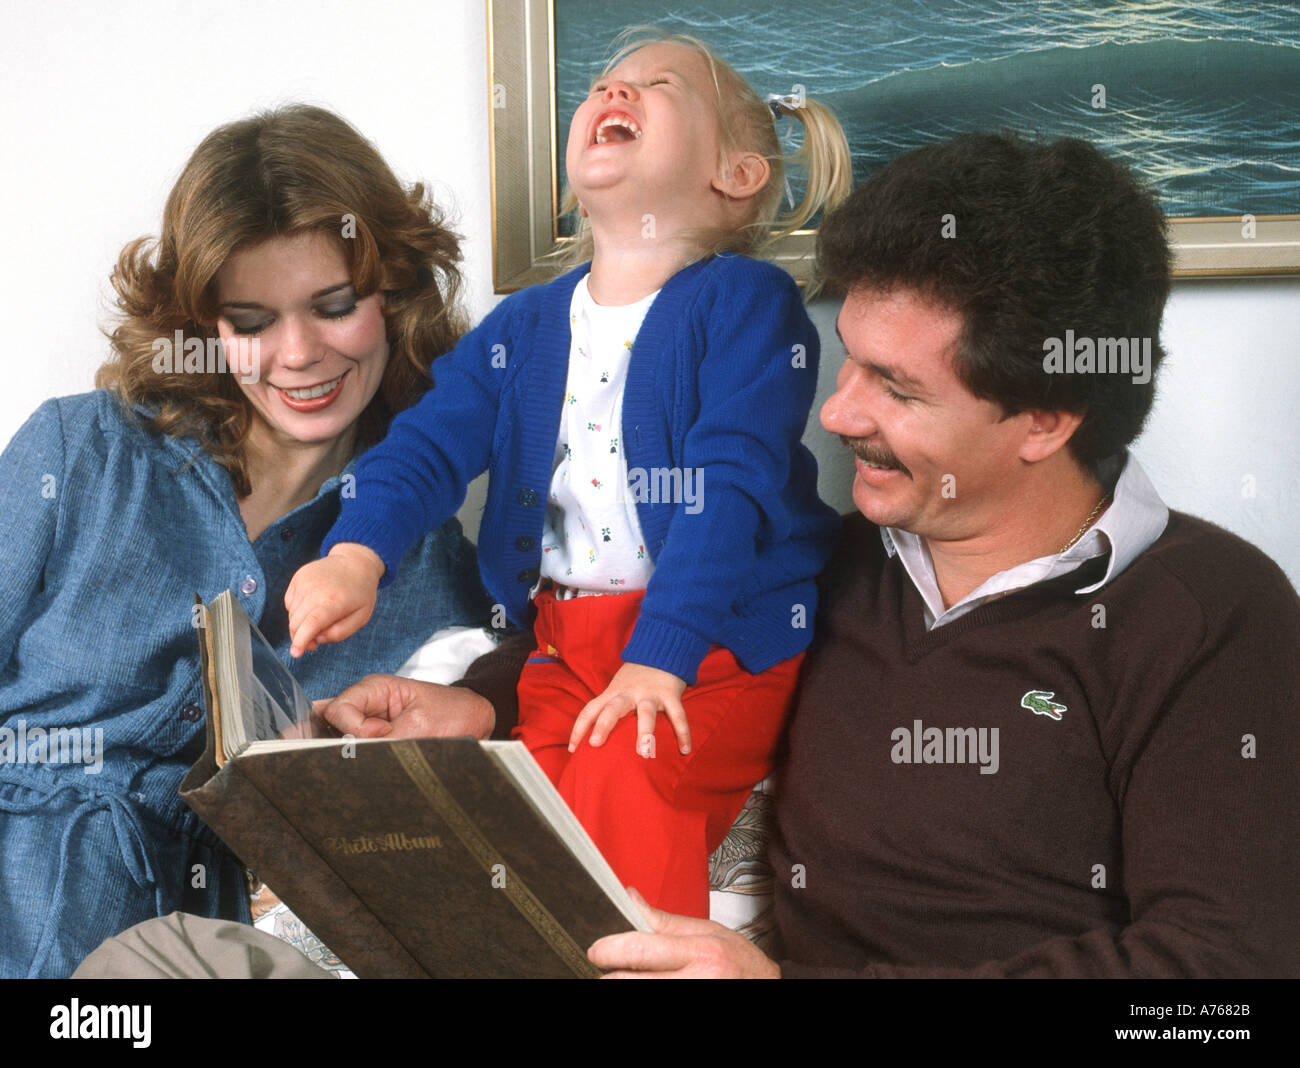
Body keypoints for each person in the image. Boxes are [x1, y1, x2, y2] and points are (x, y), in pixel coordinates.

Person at [586, 131, 1300, 977]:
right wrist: (472, 707)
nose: (837, 415)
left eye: (896, 387)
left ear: (1046, 417)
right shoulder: (822, 561)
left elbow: (1219, 981)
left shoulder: (1214, 615)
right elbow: (628, 628)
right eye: (848, 361)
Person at [282, 32, 849, 919]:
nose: (616, 91)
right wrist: (357, 551)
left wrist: (660, 660)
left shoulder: (744, 304)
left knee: (629, 778)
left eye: (656, 86)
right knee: (525, 842)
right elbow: (429, 443)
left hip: (714, 646)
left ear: (734, 176)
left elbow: (726, 489)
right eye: (602, 84)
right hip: (562, 647)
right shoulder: (529, 322)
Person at [0, 104, 496, 979]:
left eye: (334, 307)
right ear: (204, 328)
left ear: (395, 297)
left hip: (205, 950)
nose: (297, 353)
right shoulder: (79, 453)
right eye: (253, 320)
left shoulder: (431, 575)